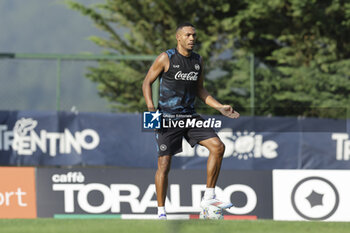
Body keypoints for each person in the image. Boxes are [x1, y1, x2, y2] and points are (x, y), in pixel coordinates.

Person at [142, 22, 240, 220]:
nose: (192, 38)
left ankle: (208, 200)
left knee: (218, 147)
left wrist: (220, 107)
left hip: (190, 117)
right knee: (164, 165)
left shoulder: (198, 61)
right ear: (178, 37)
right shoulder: (166, 57)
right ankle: (161, 212)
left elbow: (200, 90)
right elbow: (146, 82)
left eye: (194, 35)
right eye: (187, 35)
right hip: (168, 118)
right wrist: (152, 110)